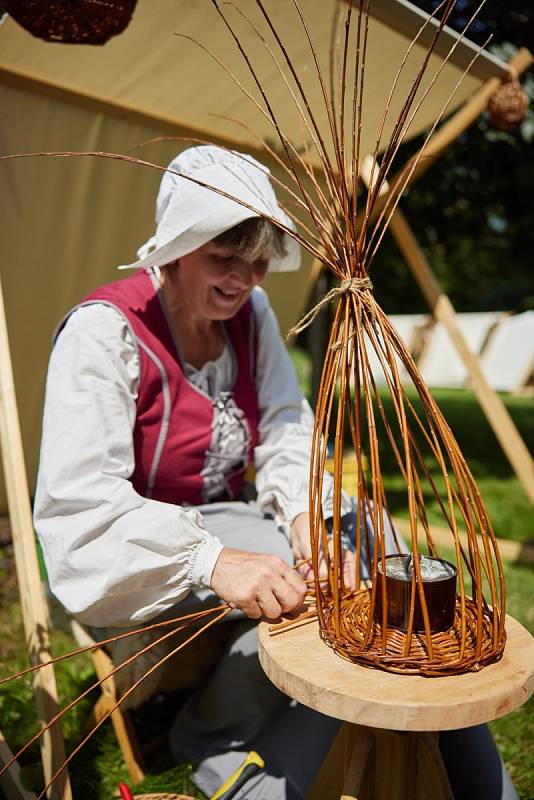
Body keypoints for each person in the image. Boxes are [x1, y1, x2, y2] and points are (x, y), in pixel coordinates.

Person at [34, 145, 518, 800]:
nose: (246, 278)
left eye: (259, 259)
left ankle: (478, 772)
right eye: (224, 257)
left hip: (231, 514)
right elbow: (80, 505)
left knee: (375, 541)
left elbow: (288, 430)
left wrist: (302, 517)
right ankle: (221, 748)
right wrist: (212, 560)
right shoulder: (105, 334)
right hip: (146, 540)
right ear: (177, 247)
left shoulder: (251, 316)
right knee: (321, 598)